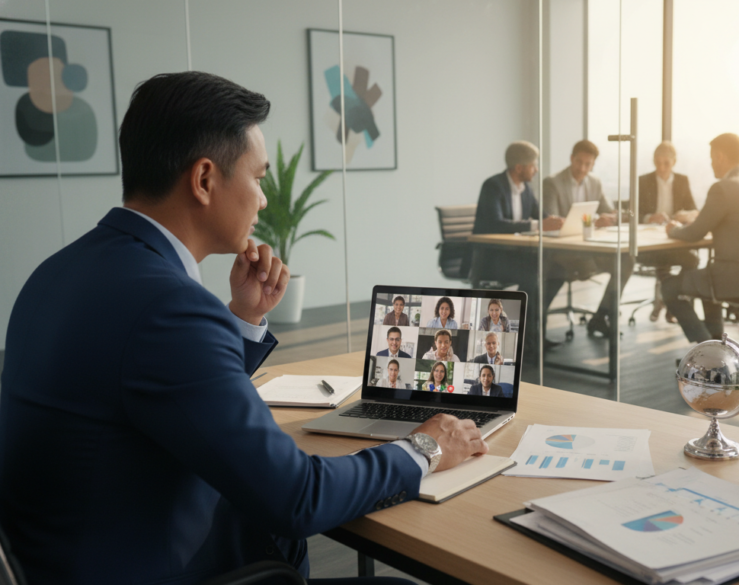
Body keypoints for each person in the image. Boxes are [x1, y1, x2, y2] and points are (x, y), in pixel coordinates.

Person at [0, 71, 488, 585]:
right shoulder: (169, 306)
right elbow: (299, 497)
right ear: (205, 179)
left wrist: (242, 318)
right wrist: (425, 448)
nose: (262, 199)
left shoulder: (60, 270)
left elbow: (151, 388)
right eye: (258, 177)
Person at [661, 133, 739, 343]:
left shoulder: (723, 188)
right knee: (705, 279)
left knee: (668, 287)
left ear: (720, 156)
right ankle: (714, 341)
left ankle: (704, 343)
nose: (711, 164)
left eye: (712, 158)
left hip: (735, 277)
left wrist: (673, 230)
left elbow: (694, 233)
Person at [472, 141, 563, 358]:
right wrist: (538, 225)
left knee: (557, 271)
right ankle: (528, 339)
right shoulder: (493, 186)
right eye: (533, 165)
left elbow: (542, 216)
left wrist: (558, 221)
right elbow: (496, 224)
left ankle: (534, 333)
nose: (536, 169)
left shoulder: (525, 189)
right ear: (520, 167)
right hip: (492, 258)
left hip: (516, 256)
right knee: (534, 275)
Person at [541, 140, 634, 337]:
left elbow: (609, 211)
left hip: (590, 249)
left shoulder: (595, 182)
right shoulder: (552, 182)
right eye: (579, 162)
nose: (582, 168)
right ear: (571, 159)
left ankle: (601, 316)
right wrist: (593, 222)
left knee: (626, 260)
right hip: (563, 251)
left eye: (588, 164)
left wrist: (610, 218)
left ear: (593, 165)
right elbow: (552, 221)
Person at [637, 141, 699, 324]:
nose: (661, 167)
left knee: (692, 259)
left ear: (674, 162)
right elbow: (634, 213)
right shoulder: (644, 181)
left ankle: (672, 297)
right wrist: (650, 217)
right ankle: (670, 300)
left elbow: (694, 211)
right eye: (658, 162)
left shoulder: (682, 181)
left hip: (673, 238)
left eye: (666, 163)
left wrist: (684, 215)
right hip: (649, 240)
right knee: (663, 262)